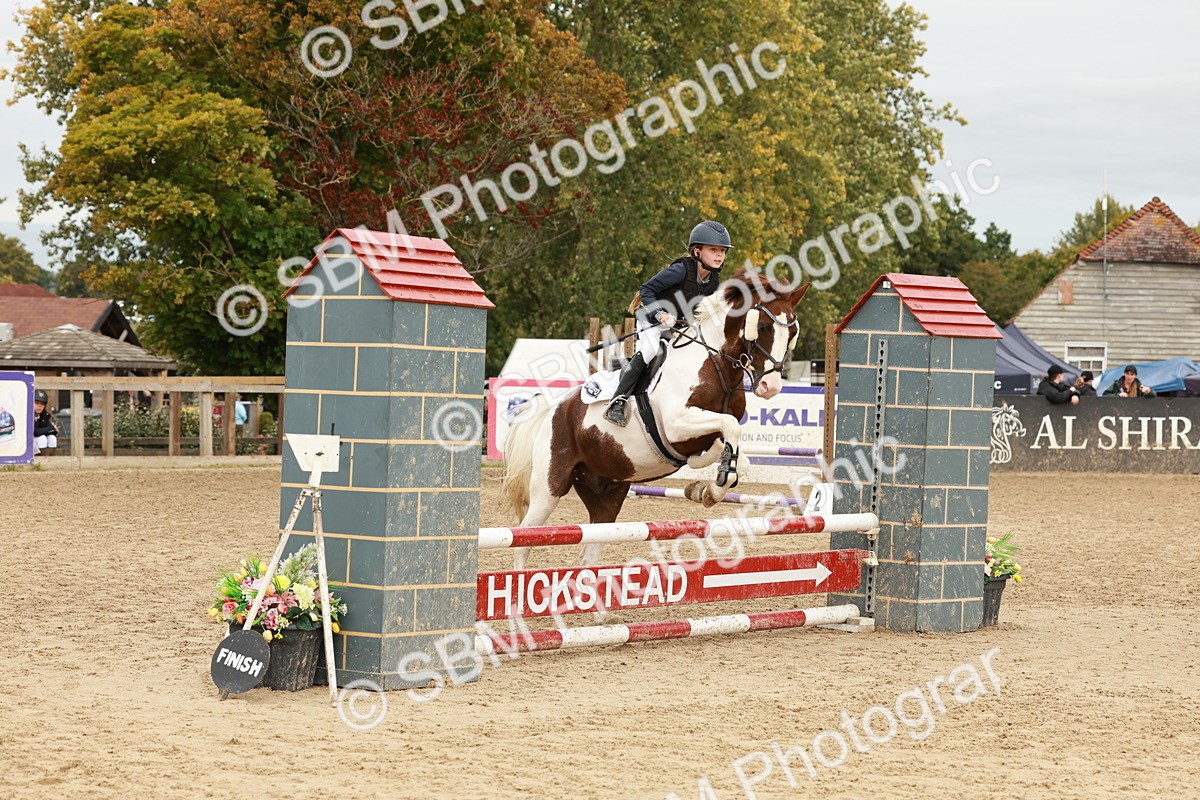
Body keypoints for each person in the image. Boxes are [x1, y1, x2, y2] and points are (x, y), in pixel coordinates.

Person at [603, 221, 732, 426]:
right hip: (650, 318)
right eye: (714, 250)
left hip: (677, 325)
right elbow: (646, 290)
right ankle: (617, 401)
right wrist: (660, 313)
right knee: (651, 350)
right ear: (697, 252)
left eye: (723, 251)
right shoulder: (680, 270)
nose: (719, 255)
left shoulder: (713, 281)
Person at [33, 389, 59, 453]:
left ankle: (50, 459)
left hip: (38, 440)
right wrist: (52, 428)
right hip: (27, 443)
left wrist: (51, 429)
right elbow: (35, 432)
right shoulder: (27, 414)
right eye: (36, 403)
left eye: (42, 404)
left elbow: (54, 432)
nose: (39, 406)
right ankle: (39, 461)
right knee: (42, 438)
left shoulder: (44, 415)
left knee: (52, 438)